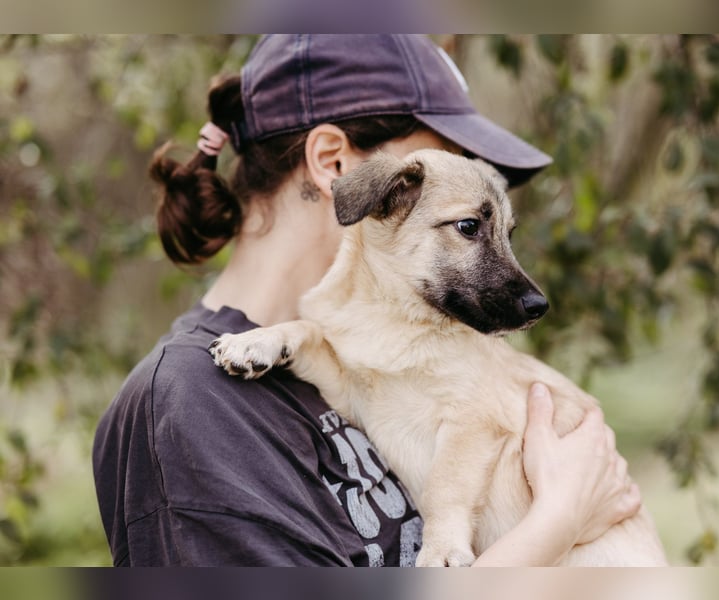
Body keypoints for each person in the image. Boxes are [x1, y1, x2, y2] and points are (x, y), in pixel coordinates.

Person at [92, 34, 641, 567]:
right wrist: (558, 523)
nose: (453, 176)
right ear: (335, 164)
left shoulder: (374, 349)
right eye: (439, 158)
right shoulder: (190, 404)